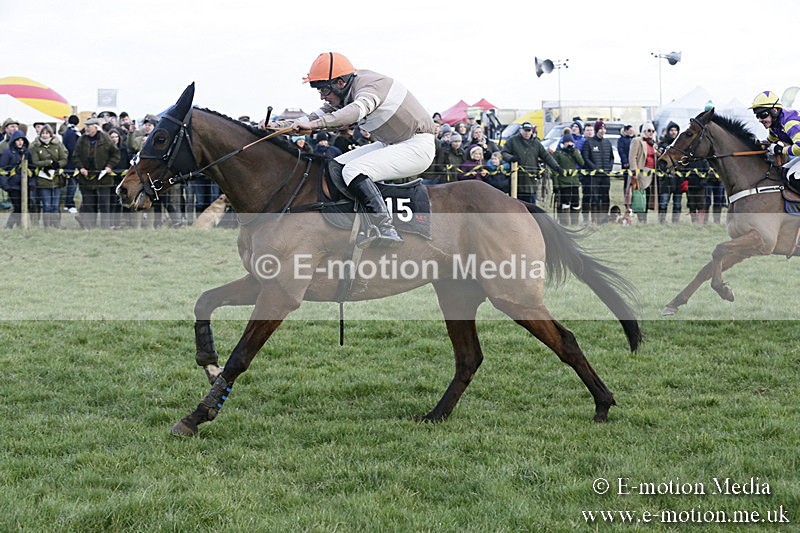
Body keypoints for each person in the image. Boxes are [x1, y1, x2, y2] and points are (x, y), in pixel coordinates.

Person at [266, 52, 436, 248]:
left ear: (340, 83)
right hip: (391, 143)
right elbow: (312, 117)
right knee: (336, 166)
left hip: (416, 146)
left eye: (324, 90)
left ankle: (385, 228)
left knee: (353, 170)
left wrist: (315, 126)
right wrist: (277, 126)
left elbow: (353, 113)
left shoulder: (370, 86)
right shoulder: (343, 91)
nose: (323, 96)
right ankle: (355, 223)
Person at [73, 117, 120, 229]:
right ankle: (90, 226)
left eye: (89, 127)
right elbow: (75, 156)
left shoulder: (106, 139)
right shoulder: (82, 139)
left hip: (104, 178)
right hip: (86, 177)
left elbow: (116, 154)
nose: (87, 129)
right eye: (86, 127)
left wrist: (109, 166)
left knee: (104, 203)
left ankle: (105, 226)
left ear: (95, 127)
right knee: (89, 204)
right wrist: (81, 168)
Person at [501, 121, 562, 204]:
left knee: (531, 205)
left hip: (531, 180)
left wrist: (556, 166)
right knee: (517, 205)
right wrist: (511, 158)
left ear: (532, 131)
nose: (527, 133)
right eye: (525, 130)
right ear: (520, 130)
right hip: (516, 179)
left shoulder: (536, 143)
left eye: (529, 130)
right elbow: (503, 152)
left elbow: (546, 156)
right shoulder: (513, 141)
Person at [750, 90, 800, 187]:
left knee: (793, 177)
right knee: (783, 172)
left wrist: (781, 150)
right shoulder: (775, 126)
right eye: (757, 116)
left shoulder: (789, 123)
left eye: (762, 115)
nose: (760, 120)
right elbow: (769, 141)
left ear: (775, 110)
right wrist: (759, 144)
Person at [30, 124, 69, 228]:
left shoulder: (58, 145)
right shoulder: (35, 146)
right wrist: (47, 163)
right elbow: (35, 161)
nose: (45, 135)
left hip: (56, 179)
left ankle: (56, 225)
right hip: (43, 179)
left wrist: (58, 164)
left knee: (55, 205)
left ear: (51, 134)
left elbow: (64, 158)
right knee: (47, 205)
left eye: (47, 133)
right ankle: (47, 226)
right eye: (43, 133)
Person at [580, 120, 613, 223]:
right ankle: (594, 219)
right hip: (593, 176)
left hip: (605, 176)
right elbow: (585, 158)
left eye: (604, 129)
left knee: (605, 196)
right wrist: (594, 168)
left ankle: (603, 219)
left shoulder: (607, 142)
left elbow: (611, 157)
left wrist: (609, 168)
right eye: (600, 129)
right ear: (596, 130)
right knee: (594, 197)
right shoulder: (588, 143)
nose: (602, 131)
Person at [0, 130, 34, 228]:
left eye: (22, 140)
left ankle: (20, 226)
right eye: (17, 140)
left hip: (25, 184)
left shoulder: (27, 153)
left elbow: (32, 169)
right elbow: (2, 170)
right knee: (18, 207)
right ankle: (9, 226)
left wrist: (32, 182)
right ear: (13, 141)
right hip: (13, 185)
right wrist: (5, 185)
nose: (20, 142)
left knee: (25, 206)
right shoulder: (8, 153)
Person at [628, 122, 658, 223]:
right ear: (644, 131)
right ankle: (640, 217)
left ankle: (644, 218)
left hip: (651, 172)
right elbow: (632, 157)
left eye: (652, 131)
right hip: (641, 171)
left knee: (648, 195)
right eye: (649, 130)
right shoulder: (637, 140)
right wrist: (634, 172)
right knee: (640, 195)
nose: (651, 133)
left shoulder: (653, 143)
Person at [551, 131, 584, 225]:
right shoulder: (558, 154)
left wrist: (574, 152)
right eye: (567, 142)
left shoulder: (574, 152)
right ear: (563, 143)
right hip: (563, 182)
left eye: (571, 142)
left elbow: (581, 163)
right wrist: (555, 185)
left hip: (574, 182)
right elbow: (554, 170)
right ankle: (564, 222)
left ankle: (574, 223)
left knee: (576, 203)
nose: (569, 144)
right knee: (565, 203)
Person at [656, 121, 683, 223]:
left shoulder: (681, 146)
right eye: (671, 130)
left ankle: (675, 222)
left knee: (677, 204)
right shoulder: (662, 145)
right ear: (668, 131)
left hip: (678, 179)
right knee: (663, 202)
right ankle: (661, 222)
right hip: (665, 179)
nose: (673, 132)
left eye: (675, 130)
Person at [61, 115, 81, 214]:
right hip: (72, 163)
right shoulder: (73, 133)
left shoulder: (67, 132)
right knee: (72, 185)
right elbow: (73, 149)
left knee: (70, 185)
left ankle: (67, 204)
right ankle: (70, 204)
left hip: (68, 162)